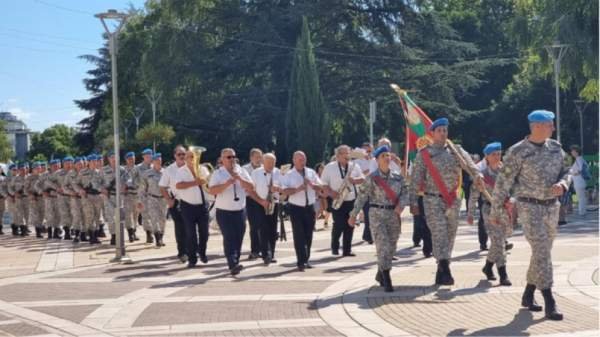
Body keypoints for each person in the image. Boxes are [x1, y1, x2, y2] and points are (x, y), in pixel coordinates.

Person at [490, 109, 571, 321]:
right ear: (536, 126)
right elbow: (503, 182)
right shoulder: (517, 151)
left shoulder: (556, 148)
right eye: (549, 124)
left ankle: (528, 293)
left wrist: (563, 183)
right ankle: (549, 300)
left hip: (551, 208)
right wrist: (496, 210)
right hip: (529, 208)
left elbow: (568, 170)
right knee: (542, 250)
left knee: (541, 253)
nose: (553, 128)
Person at [409, 117, 481, 286]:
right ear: (432, 133)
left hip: (453, 200)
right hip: (432, 200)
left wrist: (478, 175)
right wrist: (412, 202)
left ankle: (442, 267)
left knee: (450, 235)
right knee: (439, 233)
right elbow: (415, 180)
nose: (443, 133)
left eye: (445, 130)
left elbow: (470, 165)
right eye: (439, 131)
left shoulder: (456, 150)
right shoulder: (424, 153)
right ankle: (445, 268)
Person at [349, 145, 408, 292]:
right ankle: (387, 277)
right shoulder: (371, 178)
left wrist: (401, 205)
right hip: (377, 215)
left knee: (392, 247)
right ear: (377, 160)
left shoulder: (398, 177)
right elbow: (362, 197)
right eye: (383, 156)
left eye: (388, 155)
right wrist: (353, 214)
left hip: (393, 215)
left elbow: (405, 193)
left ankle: (380, 272)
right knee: (383, 245)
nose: (387, 158)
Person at [467, 142, 511, 286]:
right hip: (489, 210)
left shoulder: (506, 171)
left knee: (498, 242)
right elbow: (473, 194)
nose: (497, 156)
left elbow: (516, 188)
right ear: (487, 156)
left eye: (499, 153)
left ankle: (487, 266)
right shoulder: (482, 174)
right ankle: (503, 274)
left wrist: (513, 200)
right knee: (498, 241)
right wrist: (470, 213)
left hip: (503, 209)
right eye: (494, 154)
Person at [208, 148, 255, 275]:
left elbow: (251, 187)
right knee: (229, 238)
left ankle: (235, 261)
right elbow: (212, 191)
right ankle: (232, 263)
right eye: (228, 157)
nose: (232, 159)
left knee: (239, 237)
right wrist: (227, 183)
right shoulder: (218, 173)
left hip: (240, 210)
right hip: (224, 211)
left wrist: (240, 179)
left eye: (233, 156)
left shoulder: (242, 171)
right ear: (222, 160)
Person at [282, 151, 324, 271]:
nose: (302, 162)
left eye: (304, 159)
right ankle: (301, 261)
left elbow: (321, 186)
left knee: (308, 235)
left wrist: (311, 184)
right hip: (296, 207)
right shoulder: (289, 174)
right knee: (299, 235)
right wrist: (298, 188)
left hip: (309, 207)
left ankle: (306, 259)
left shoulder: (311, 172)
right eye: (300, 160)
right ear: (294, 160)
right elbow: (285, 191)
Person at [321, 145, 365, 256]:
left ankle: (347, 250)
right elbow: (323, 184)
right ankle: (335, 247)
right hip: (337, 199)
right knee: (339, 224)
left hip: (351, 199)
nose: (347, 156)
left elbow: (363, 178)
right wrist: (331, 193)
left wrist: (354, 180)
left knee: (350, 224)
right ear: (338, 156)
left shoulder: (354, 166)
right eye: (344, 154)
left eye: (348, 153)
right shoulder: (329, 167)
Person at [176, 149, 211, 268]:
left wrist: (204, 181)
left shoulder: (203, 169)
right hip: (187, 206)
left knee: (205, 233)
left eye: (193, 156)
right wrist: (194, 182)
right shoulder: (180, 171)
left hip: (202, 205)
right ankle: (192, 258)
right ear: (185, 159)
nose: (191, 159)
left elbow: (208, 182)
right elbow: (178, 185)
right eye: (189, 157)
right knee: (190, 234)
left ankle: (202, 252)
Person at [248, 153, 283, 265]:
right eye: (268, 163)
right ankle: (266, 254)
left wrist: (278, 188)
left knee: (273, 229)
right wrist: (261, 201)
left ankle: (271, 254)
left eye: (273, 163)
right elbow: (251, 190)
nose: (271, 165)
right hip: (260, 203)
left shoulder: (278, 172)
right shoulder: (256, 173)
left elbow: (284, 187)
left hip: (274, 202)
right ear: (263, 162)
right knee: (263, 229)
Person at [159, 145, 189, 263]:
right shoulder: (169, 170)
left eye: (183, 154)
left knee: (191, 227)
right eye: (179, 154)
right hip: (177, 201)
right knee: (180, 228)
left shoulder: (191, 166)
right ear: (174, 156)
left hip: (192, 201)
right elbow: (162, 186)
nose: (182, 156)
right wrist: (168, 200)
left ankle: (190, 250)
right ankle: (182, 252)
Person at [140, 153, 167, 247]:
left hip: (163, 199)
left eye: (160, 160)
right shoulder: (147, 174)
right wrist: (142, 201)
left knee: (162, 219)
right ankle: (157, 238)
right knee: (154, 218)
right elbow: (142, 188)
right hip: (152, 198)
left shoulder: (165, 172)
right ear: (153, 162)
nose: (159, 162)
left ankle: (161, 236)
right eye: (156, 161)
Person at [242, 148, 264, 260]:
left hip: (264, 199)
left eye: (260, 157)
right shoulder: (244, 169)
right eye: (257, 157)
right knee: (254, 226)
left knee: (264, 225)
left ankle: (265, 249)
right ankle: (255, 250)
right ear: (251, 157)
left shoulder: (265, 168)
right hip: (250, 200)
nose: (259, 159)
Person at [100, 151, 124, 246]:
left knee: (119, 217)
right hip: (108, 196)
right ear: (109, 159)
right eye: (112, 157)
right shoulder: (103, 170)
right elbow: (96, 182)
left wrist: (125, 185)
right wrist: (102, 189)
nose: (114, 159)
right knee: (111, 217)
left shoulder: (122, 169)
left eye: (115, 157)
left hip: (119, 196)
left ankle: (119, 235)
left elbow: (129, 179)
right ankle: (113, 235)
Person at [122, 152, 141, 242]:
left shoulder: (138, 169)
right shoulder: (123, 170)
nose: (131, 160)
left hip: (136, 194)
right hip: (127, 195)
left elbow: (140, 181)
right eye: (129, 159)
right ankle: (130, 233)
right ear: (126, 160)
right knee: (128, 215)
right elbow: (121, 181)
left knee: (136, 214)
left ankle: (134, 231)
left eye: (132, 159)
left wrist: (131, 184)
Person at [137, 148, 154, 243]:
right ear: (143, 157)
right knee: (146, 214)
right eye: (146, 156)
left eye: (150, 156)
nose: (148, 158)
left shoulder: (154, 166)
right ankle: (149, 233)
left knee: (154, 215)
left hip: (154, 194)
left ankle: (156, 233)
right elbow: (132, 179)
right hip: (142, 194)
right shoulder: (138, 168)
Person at [569, 145, 587, 216]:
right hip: (580, 181)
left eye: (573, 151)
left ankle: (581, 212)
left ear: (576, 152)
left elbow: (580, 169)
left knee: (580, 197)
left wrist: (573, 173)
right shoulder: (580, 159)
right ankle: (582, 211)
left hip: (579, 181)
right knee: (581, 197)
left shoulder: (579, 159)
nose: (571, 152)